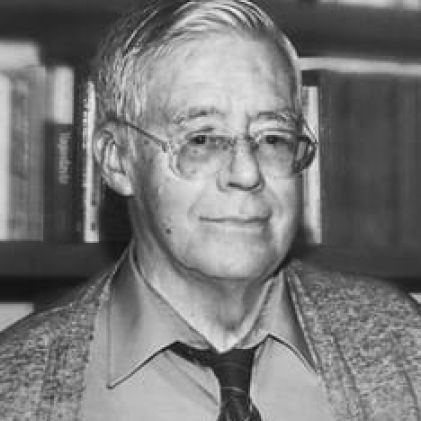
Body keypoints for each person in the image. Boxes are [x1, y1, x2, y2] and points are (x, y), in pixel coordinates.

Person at [0, 0, 420, 420]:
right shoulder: (17, 389)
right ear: (117, 160)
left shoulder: (403, 343)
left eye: (273, 138)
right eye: (201, 140)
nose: (247, 173)